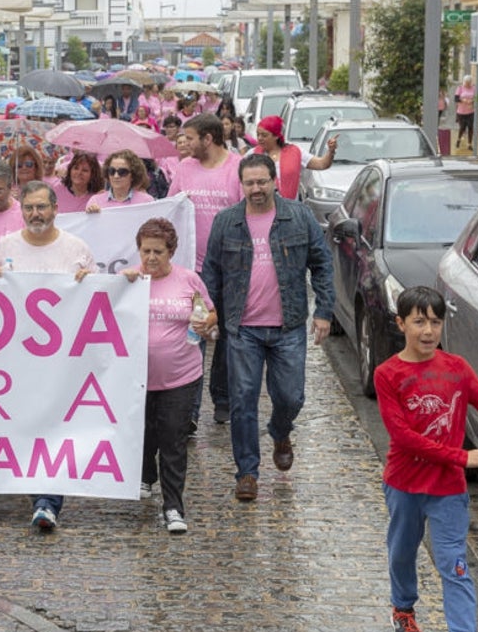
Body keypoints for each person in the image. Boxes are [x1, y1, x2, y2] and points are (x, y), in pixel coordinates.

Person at [374, 286, 478, 632]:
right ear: (401, 324)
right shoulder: (387, 374)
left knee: (455, 565)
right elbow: (404, 438)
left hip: (448, 491)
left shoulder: (457, 369)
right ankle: (403, 610)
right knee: (402, 554)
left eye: (435, 321)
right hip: (404, 485)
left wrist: (457, 462)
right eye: (419, 322)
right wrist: (460, 456)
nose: (428, 331)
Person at [201, 153, 334, 503]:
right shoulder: (226, 222)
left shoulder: (299, 216)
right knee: (242, 400)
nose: (256, 189)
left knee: (291, 396)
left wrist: (324, 311)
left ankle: (280, 430)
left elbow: (322, 264)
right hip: (242, 329)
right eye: (250, 183)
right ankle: (247, 472)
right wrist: (210, 314)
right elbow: (211, 273)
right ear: (240, 185)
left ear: (274, 181)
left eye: (262, 181)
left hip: (288, 325)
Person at [0, 181, 96, 530]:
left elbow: (96, 303)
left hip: (60, 361)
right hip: (13, 357)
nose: (35, 214)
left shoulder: (76, 248)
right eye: (29, 208)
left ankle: (47, 502)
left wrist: (89, 283)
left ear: (55, 209)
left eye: (41, 207)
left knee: (53, 430)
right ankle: (20, 483)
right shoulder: (6, 245)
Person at [120, 218, 217, 534]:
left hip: (181, 375)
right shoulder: (129, 280)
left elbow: (210, 311)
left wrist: (206, 322)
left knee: (173, 439)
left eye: (157, 252)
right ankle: (146, 475)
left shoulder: (189, 280)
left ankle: (173, 507)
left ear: (171, 251)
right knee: (144, 431)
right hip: (137, 377)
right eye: (145, 251)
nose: (150, 258)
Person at [169, 114, 243, 428]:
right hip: (194, 271)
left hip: (231, 269)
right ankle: (190, 413)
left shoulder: (237, 167)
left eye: (190, 138)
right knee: (194, 336)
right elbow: (170, 207)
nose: (184, 144)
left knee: (225, 336)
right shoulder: (185, 168)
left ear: (208, 139)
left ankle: (222, 398)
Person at [252, 115, 336, 200]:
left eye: (264, 135)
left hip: (290, 209)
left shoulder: (295, 152)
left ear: (276, 136)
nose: (259, 138)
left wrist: (331, 151)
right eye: (258, 134)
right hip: (261, 208)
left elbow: (322, 164)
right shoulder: (252, 155)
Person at [87, 149, 154, 210]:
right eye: (112, 171)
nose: (116, 176)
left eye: (122, 172)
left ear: (133, 175)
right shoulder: (95, 201)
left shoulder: (146, 202)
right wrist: (92, 215)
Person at [455, 75, 476, 150]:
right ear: (464, 82)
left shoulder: (473, 88)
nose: (468, 84)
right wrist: (464, 100)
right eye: (466, 82)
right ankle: (458, 140)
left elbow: (476, 97)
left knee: (470, 127)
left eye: (469, 82)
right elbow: (456, 99)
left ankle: (469, 144)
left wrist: (472, 101)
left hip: (470, 111)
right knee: (462, 128)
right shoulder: (460, 88)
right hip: (461, 112)